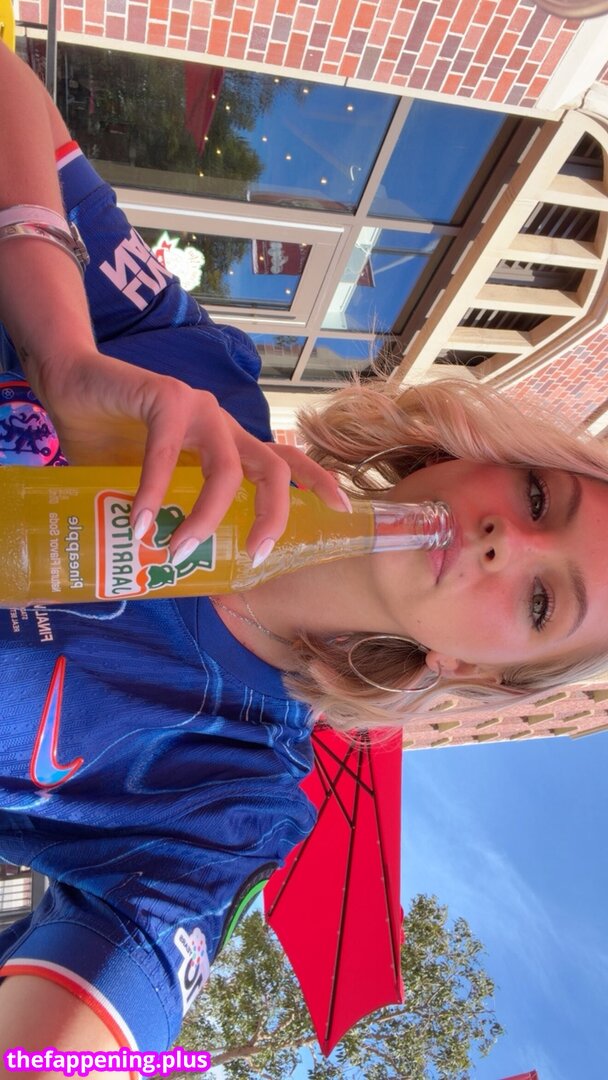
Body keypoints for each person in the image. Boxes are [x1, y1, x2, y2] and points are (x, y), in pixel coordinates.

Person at [2, 38, 608, 1076]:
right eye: (538, 498)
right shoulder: (200, 381)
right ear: (476, 458)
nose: (507, 541)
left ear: (474, 668)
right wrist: (64, 355)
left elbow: (71, 1041)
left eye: (543, 602)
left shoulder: (231, 802)